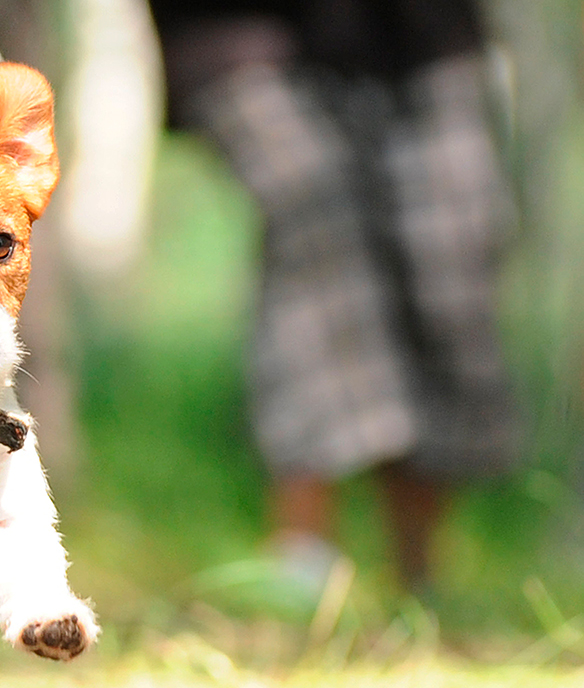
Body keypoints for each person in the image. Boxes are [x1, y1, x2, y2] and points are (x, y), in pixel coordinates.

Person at [148, 0, 522, 594]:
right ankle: (304, 557)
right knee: (318, 224)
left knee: (445, 258)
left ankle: (420, 575)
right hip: (235, 31)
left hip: (422, 34)